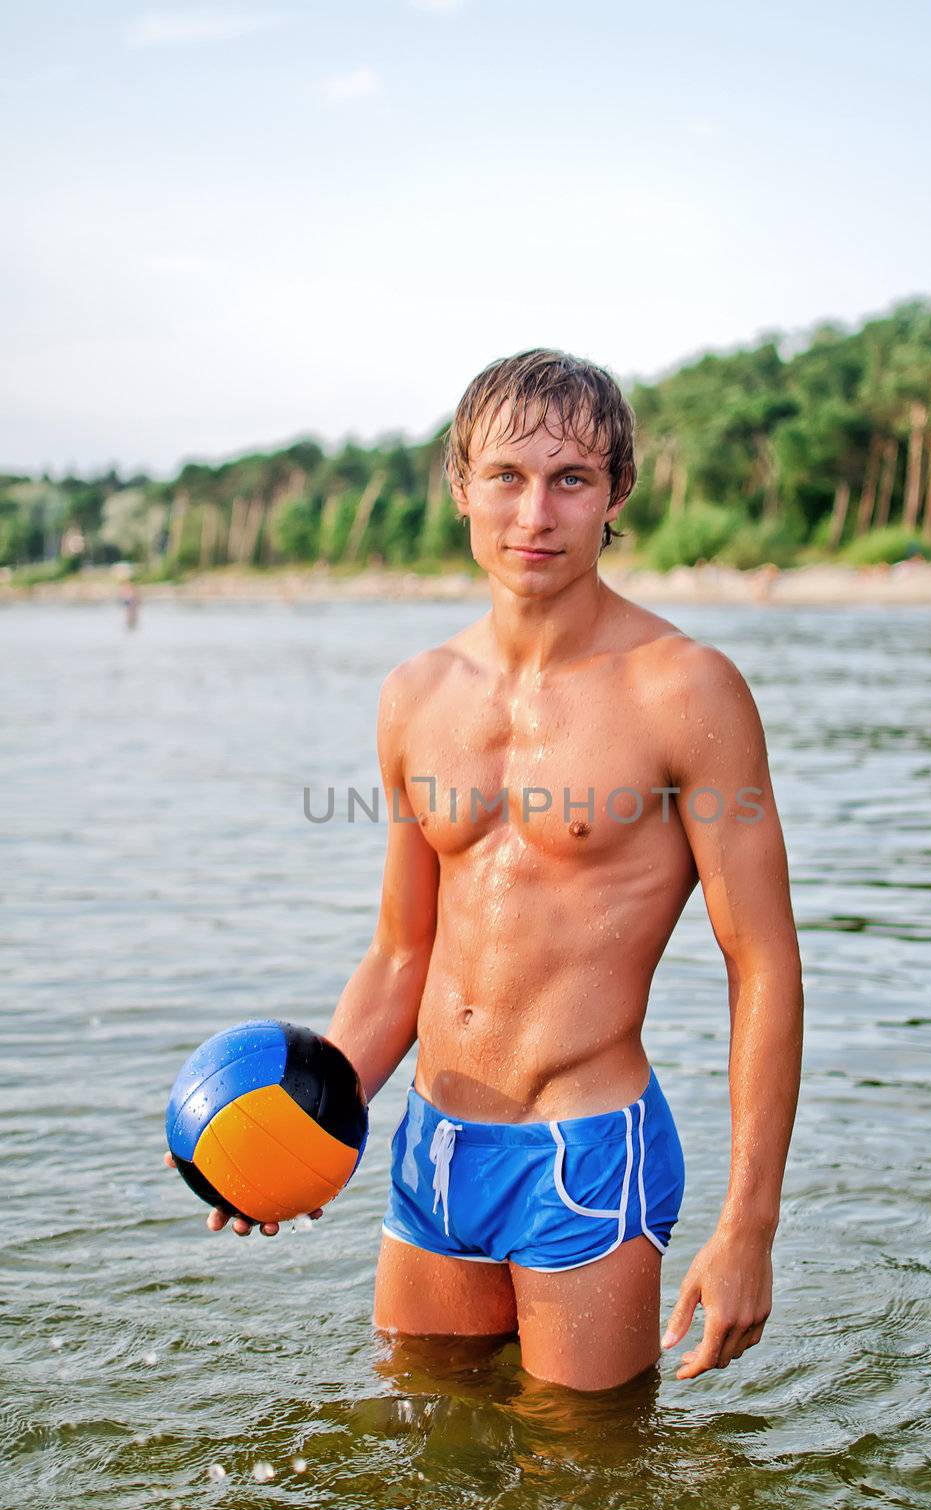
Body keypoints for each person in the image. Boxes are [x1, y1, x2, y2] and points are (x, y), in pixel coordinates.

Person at [171, 350, 803, 1392]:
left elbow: (764, 963)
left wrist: (748, 1226)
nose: (534, 514)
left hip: (585, 1152)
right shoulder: (418, 693)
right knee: (422, 1462)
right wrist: (300, 1119)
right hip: (434, 1145)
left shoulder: (685, 690)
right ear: (460, 486)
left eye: (571, 479)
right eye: (506, 475)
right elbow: (399, 953)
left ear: (616, 497)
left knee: (584, 1493)